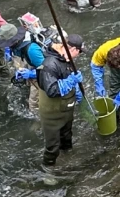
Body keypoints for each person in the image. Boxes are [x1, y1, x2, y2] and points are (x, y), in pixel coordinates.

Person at [35, 33, 84, 167]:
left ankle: (68, 156)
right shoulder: (50, 65)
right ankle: (48, 170)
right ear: (73, 49)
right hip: (52, 114)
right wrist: (71, 80)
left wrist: (77, 91)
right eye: (79, 52)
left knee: (66, 136)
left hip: (66, 109)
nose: (78, 55)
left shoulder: (67, 60)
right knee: (52, 145)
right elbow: (52, 91)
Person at [6, 14, 50, 113]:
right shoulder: (21, 39)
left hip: (44, 70)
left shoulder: (31, 50)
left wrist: (32, 74)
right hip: (33, 61)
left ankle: (39, 117)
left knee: (34, 103)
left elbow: (47, 69)